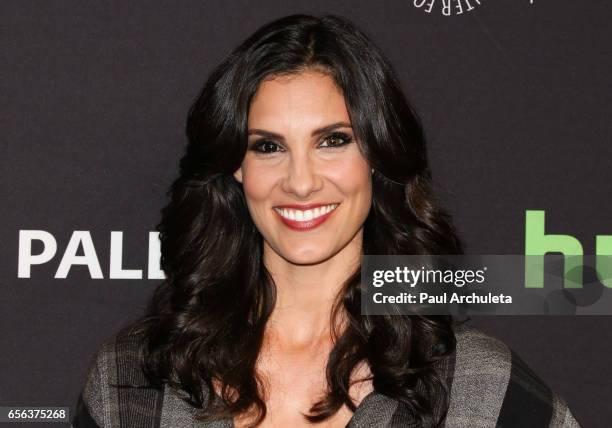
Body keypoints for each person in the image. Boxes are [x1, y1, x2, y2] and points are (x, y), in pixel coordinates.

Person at [72, 14, 581, 428]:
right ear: (237, 167)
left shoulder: (475, 387)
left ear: (377, 156)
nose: (301, 181)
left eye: (333, 140)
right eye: (269, 146)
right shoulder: (134, 381)